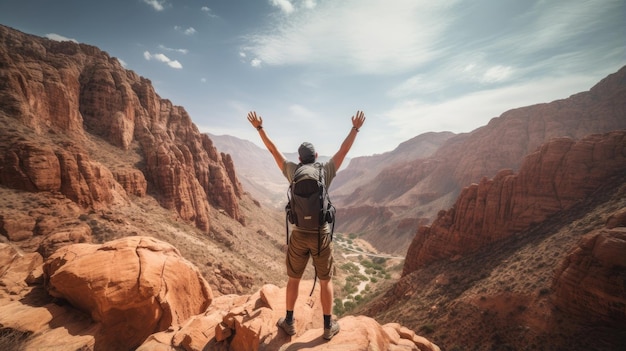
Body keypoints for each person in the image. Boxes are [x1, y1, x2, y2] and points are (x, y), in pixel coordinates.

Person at [247, 110, 365, 340]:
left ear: (299, 159)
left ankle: (289, 321)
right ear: (317, 156)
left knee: (294, 279)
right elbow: (344, 150)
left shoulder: (293, 171)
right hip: (321, 234)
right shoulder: (325, 171)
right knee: (325, 280)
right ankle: (329, 327)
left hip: (299, 234)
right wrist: (355, 128)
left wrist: (259, 128)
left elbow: (273, 150)